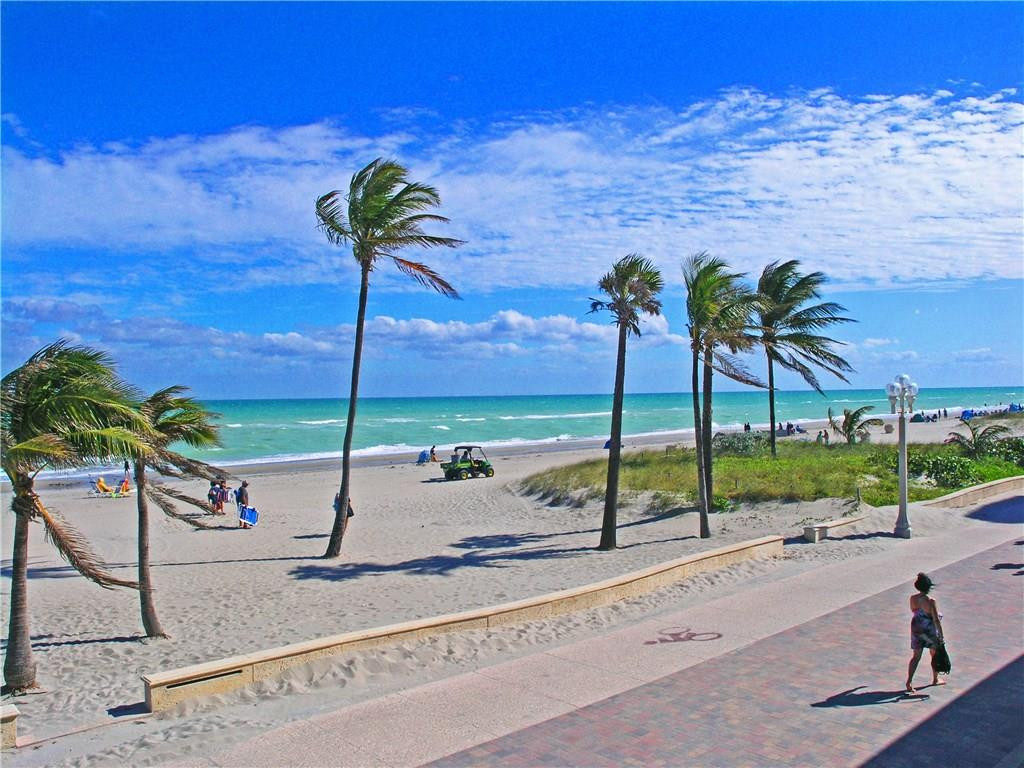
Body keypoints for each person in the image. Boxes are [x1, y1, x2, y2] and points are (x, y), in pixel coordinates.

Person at [906, 572, 945, 693]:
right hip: (929, 630)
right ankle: (935, 678)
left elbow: (914, 611)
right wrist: (941, 635)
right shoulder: (931, 601)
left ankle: (909, 681)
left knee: (916, 657)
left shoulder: (913, 598)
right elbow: (935, 619)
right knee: (934, 654)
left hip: (916, 627)